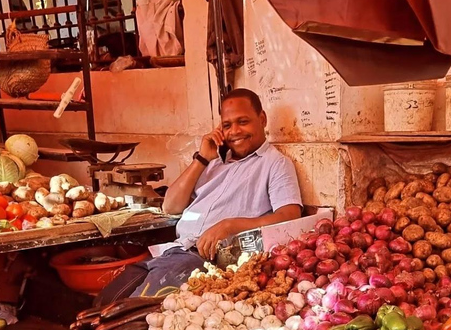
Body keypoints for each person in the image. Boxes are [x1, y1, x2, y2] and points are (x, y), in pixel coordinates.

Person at [97, 88, 302, 303]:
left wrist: (230, 225)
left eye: (243, 121)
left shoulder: (275, 164)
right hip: (173, 251)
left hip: (204, 262)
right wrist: (202, 158)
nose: (235, 131)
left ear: (262, 119)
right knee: (103, 303)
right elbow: (171, 206)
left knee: (128, 312)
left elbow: (290, 214)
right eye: (227, 125)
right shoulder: (213, 163)